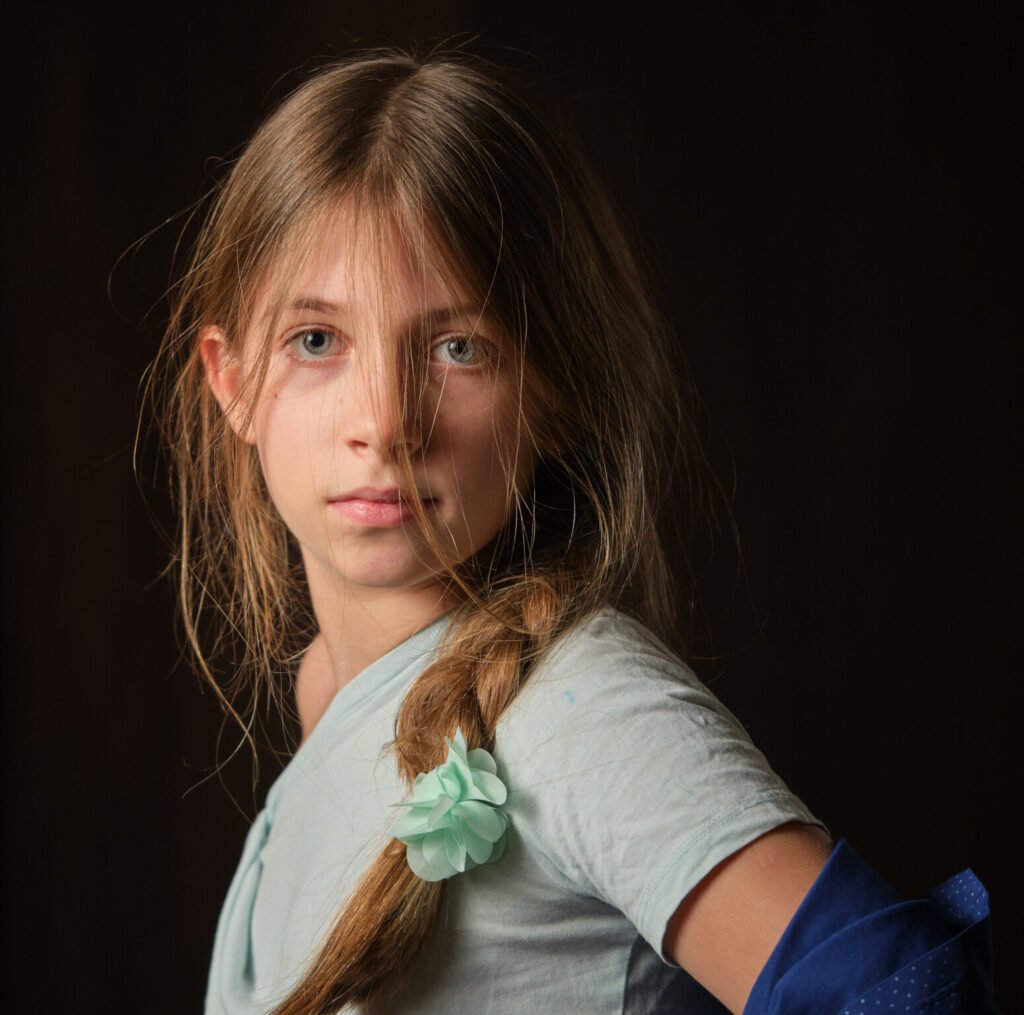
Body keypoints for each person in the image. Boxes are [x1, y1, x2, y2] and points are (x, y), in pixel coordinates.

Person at [151, 48, 996, 1015]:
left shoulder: (580, 710)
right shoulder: (328, 692)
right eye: (317, 341)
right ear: (232, 381)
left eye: (455, 347)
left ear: (550, 395)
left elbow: (901, 989)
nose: (382, 421)